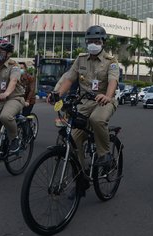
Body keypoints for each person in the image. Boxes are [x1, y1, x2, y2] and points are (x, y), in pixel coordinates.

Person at [49, 25, 120, 168]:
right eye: (90, 41)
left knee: (97, 119)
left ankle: (104, 154)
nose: (93, 44)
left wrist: (107, 96)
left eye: (97, 41)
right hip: (84, 102)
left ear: (103, 42)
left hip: (104, 102)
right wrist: (57, 94)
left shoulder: (111, 61)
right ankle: (80, 176)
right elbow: (69, 78)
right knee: (73, 140)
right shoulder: (81, 59)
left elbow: (113, 80)